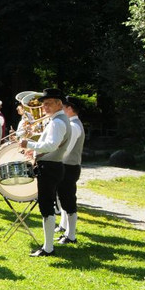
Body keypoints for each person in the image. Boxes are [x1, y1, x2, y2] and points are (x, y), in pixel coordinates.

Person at [20, 88, 71, 257]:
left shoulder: (57, 122)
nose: (44, 107)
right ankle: (48, 246)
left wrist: (29, 145)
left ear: (59, 103)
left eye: (48, 103)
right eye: (44, 104)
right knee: (46, 205)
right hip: (51, 165)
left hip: (50, 167)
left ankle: (48, 248)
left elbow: (51, 145)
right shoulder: (57, 120)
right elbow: (50, 144)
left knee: (46, 206)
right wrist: (35, 152)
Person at [57, 96, 85, 244]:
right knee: (64, 198)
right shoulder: (71, 124)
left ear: (69, 108)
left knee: (68, 200)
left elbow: (66, 151)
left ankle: (71, 235)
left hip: (69, 167)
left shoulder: (74, 126)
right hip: (67, 166)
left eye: (63, 107)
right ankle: (65, 230)